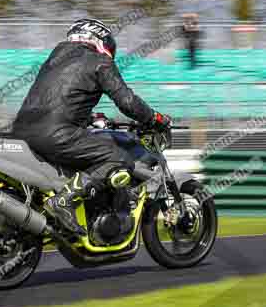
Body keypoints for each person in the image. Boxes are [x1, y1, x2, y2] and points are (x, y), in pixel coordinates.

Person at [11, 19, 171, 237]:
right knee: (119, 159)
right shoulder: (99, 61)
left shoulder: (54, 60)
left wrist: (88, 117)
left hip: (23, 131)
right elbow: (127, 102)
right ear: (98, 39)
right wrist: (155, 118)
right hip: (56, 134)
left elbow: (57, 99)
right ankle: (64, 201)